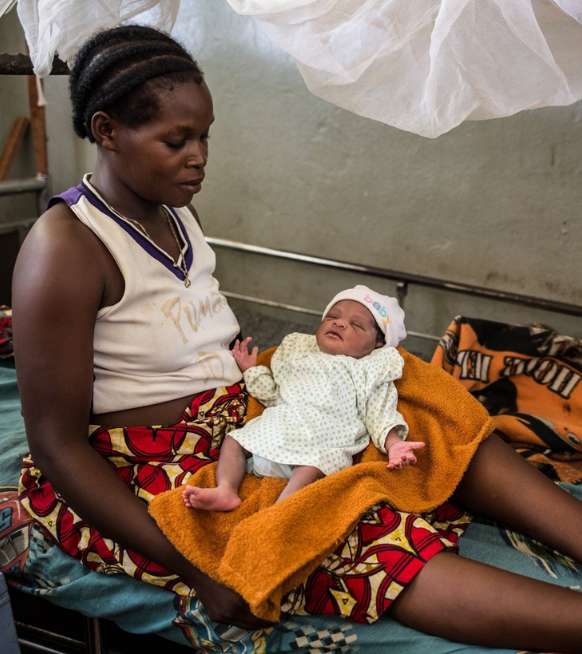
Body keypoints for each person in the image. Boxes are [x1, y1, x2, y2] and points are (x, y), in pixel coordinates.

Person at [10, 24, 582, 653]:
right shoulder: (64, 247)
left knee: (411, 386)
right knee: (329, 526)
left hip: (241, 405)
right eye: (177, 140)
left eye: (204, 137)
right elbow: (58, 447)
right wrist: (198, 570)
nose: (199, 156)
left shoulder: (178, 211)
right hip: (156, 457)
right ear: (106, 131)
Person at [183, 286, 425, 511]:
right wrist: (252, 370)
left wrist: (394, 444)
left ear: (377, 344)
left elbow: (378, 410)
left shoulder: (367, 369)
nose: (339, 323)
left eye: (356, 325)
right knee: (235, 440)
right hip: (275, 431)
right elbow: (275, 393)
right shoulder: (299, 352)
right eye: (332, 317)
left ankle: (283, 508)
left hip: (321, 444)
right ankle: (226, 489)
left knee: (314, 465)